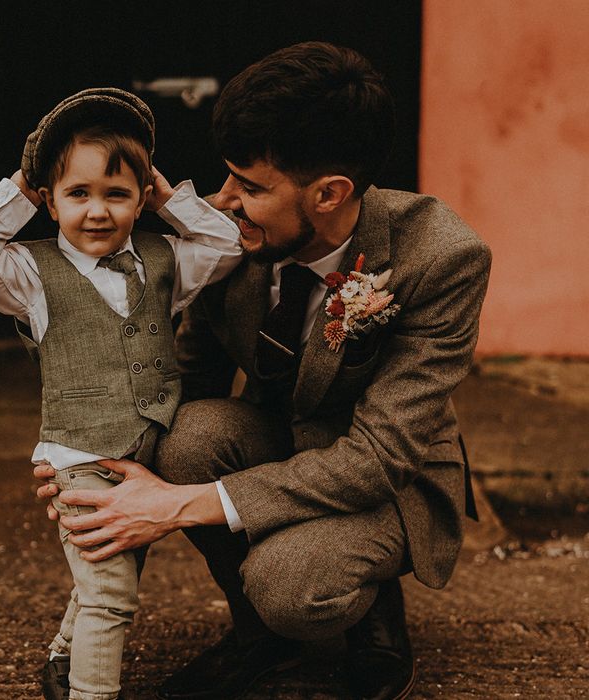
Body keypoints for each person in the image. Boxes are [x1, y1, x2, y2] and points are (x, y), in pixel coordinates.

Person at [34, 43, 492, 700]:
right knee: (185, 433)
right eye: (229, 178)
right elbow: (177, 387)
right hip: (277, 439)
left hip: (392, 478)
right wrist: (82, 469)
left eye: (250, 187)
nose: (225, 201)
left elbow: (379, 458)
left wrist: (173, 508)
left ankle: (369, 609)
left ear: (330, 193)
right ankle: (260, 639)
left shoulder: (443, 258)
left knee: (288, 584)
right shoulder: (227, 239)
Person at [0, 88, 242, 700]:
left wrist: (170, 197)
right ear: (50, 203)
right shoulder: (31, 276)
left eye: (117, 194)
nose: (98, 211)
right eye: (78, 194)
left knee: (111, 569)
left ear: (140, 200)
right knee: (112, 594)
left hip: (144, 455)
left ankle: (62, 657)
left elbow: (226, 244)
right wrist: (21, 188)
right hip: (79, 460)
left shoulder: (163, 262)